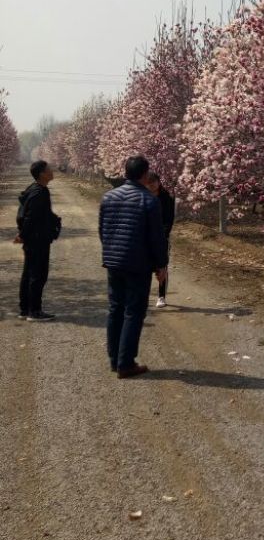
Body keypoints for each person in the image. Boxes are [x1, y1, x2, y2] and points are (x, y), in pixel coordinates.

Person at [99, 154, 168, 378]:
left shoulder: (108, 197)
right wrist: (161, 265)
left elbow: (103, 230)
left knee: (115, 308)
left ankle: (114, 359)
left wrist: (111, 251)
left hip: (114, 261)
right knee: (133, 312)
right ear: (145, 174)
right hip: (137, 264)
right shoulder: (148, 201)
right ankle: (126, 363)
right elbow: (156, 238)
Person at [16, 159, 61, 321]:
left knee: (29, 273)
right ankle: (34, 311)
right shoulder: (39, 192)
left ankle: (25, 309)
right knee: (38, 274)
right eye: (49, 169)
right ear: (42, 173)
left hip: (34, 239)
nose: (52, 170)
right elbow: (30, 217)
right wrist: (23, 234)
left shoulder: (35, 189)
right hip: (37, 240)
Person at [144, 171, 175, 307]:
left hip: (162, 236)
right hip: (145, 236)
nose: (151, 186)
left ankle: (161, 296)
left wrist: (162, 235)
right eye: (149, 183)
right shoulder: (144, 196)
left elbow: (169, 219)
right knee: (145, 266)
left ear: (159, 182)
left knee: (161, 266)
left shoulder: (166, 197)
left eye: (153, 182)